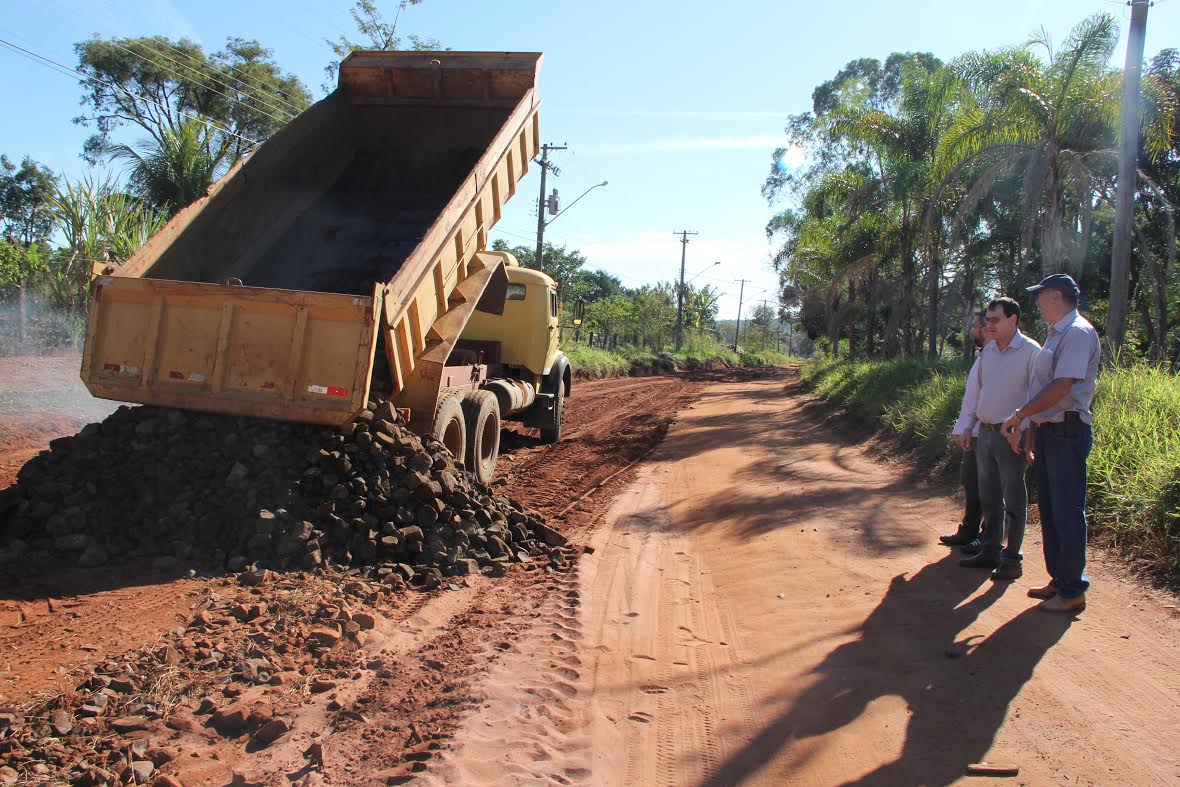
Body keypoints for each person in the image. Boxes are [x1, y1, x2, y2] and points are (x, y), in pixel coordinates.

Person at [1002, 274, 1100, 613]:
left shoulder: (1076, 333)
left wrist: (1021, 415)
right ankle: (1060, 580)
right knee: (1050, 510)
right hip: (1049, 433)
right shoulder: (1056, 334)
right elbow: (1043, 388)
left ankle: (1072, 589)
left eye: (1041, 296)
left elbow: (1061, 388)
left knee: (1066, 510)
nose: (1038, 303)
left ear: (1056, 296)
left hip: (1066, 434)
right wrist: (1031, 428)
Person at [957, 297, 1041, 581]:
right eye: (987, 320)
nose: (989, 325)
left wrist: (1024, 430)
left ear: (1013, 319)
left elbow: (1037, 396)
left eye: (995, 320)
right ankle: (991, 549)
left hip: (1012, 437)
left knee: (1014, 498)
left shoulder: (1031, 352)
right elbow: (978, 392)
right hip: (986, 433)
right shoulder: (989, 352)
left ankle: (1012, 558)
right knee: (989, 496)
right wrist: (968, 426)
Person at [940, 310, 988, 550]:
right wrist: (964, 427)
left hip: (990, 431)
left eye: (976, 326)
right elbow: (972, 399)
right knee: (971, 482)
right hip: (975, 431)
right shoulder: (984, 357)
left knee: (990, 487)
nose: (973, 331)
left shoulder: (1000, 357)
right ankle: (968, 530)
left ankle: (987, 536)